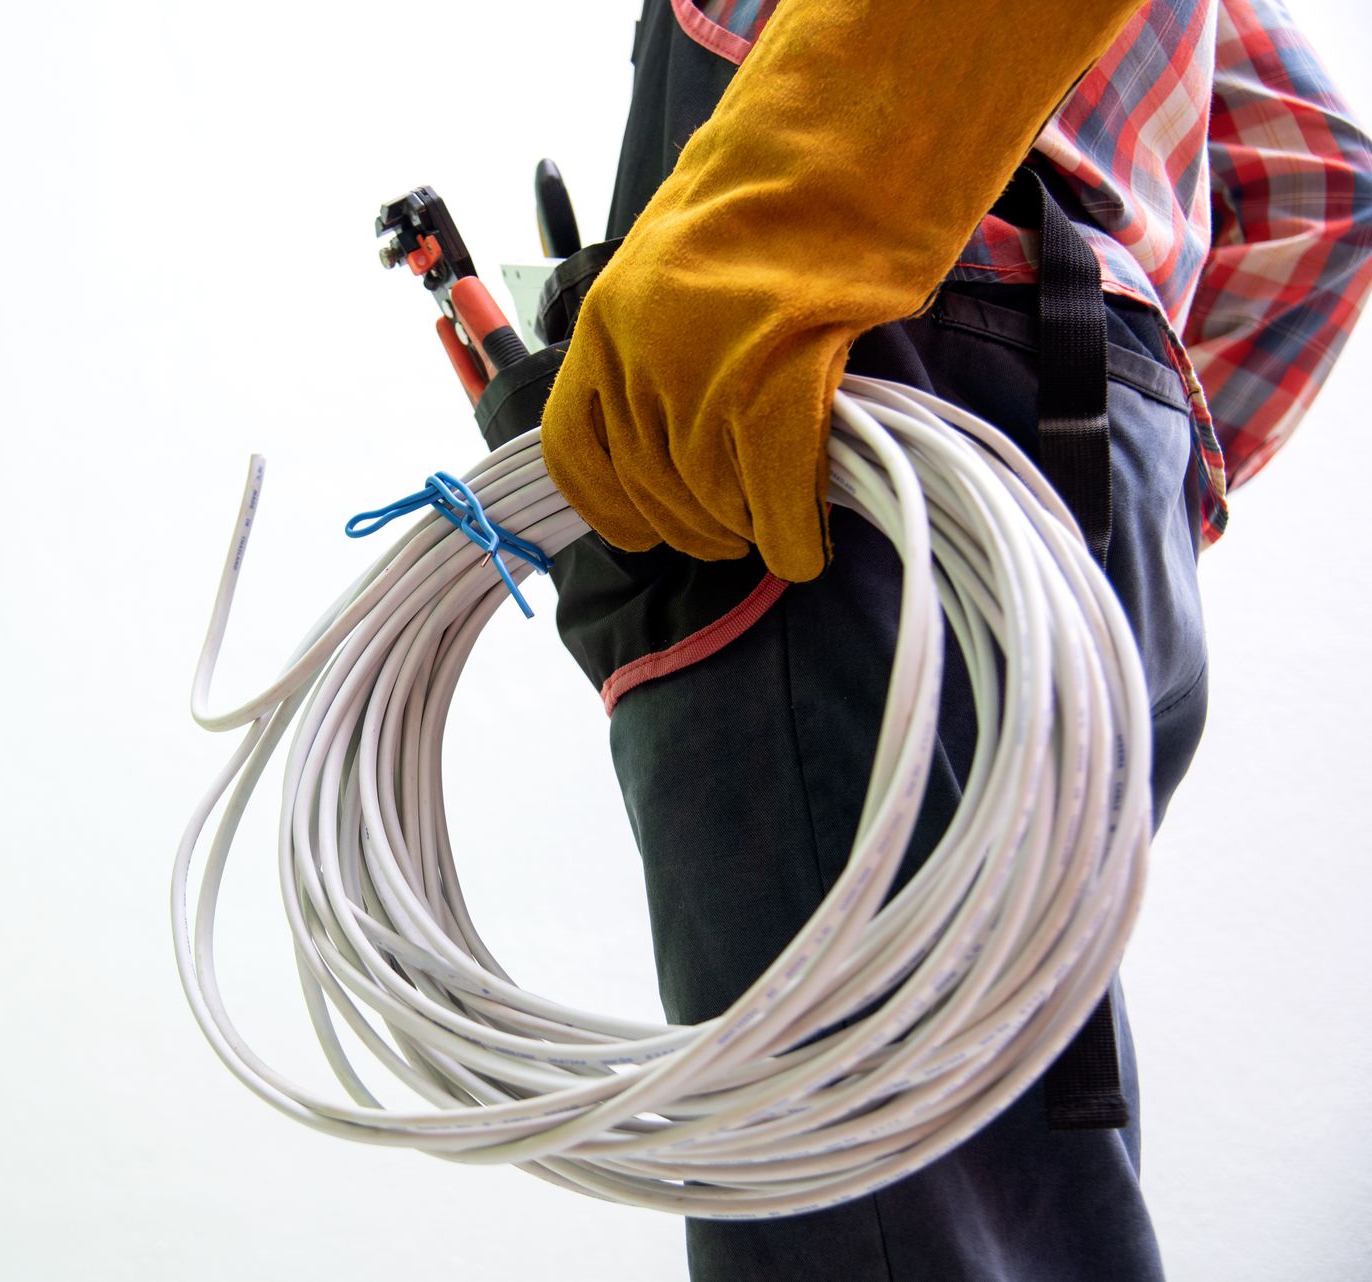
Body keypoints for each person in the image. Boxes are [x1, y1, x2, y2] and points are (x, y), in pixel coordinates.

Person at [525, 1, 1372, 1276]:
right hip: (1067, 471)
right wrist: (1137, 496)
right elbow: (1321, 187)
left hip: (855, 405)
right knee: (1004, 1202)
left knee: (864, 1201)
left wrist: (772, 241)